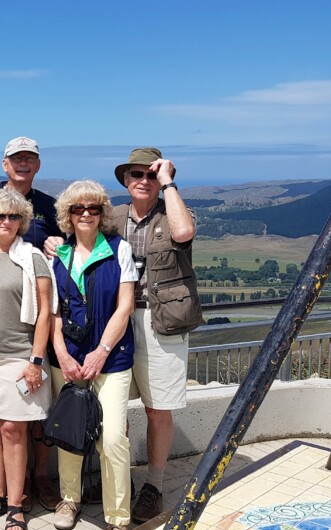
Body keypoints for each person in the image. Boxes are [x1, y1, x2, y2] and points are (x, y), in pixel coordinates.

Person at [0, 136, 64, 511]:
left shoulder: (51, 208)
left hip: (29, 337)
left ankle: (36, 480)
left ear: (37, 164)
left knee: (31, 420)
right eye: (16, 159)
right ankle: (5, 492)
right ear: (4, 164)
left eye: (29, 159)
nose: (23, 164)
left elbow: (69, 253)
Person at [110, 147, 200, 524]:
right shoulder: (111, 218)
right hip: (118, 319)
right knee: (115, 407)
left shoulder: (174, 211)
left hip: (161, 323)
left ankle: (155, 484)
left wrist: (169, 183)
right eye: (136, 175)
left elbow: (184, 233)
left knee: (156, 408)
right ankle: (120, 481)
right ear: (126, 181)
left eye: (150, 175)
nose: (143, 181)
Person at [49, 180, 137, 530]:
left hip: (111, 360)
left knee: (113, 438)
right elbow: (52, 312)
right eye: (77, 209)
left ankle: (118, 517)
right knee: (70, 432)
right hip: (68, 359)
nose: (85, 214)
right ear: (67, 215)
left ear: (102, 214)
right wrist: (61, 353)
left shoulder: (119, 250)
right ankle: (70, 500)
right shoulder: (57, 256)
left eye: (93, 208)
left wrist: (101, 351)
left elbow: (125, 306)